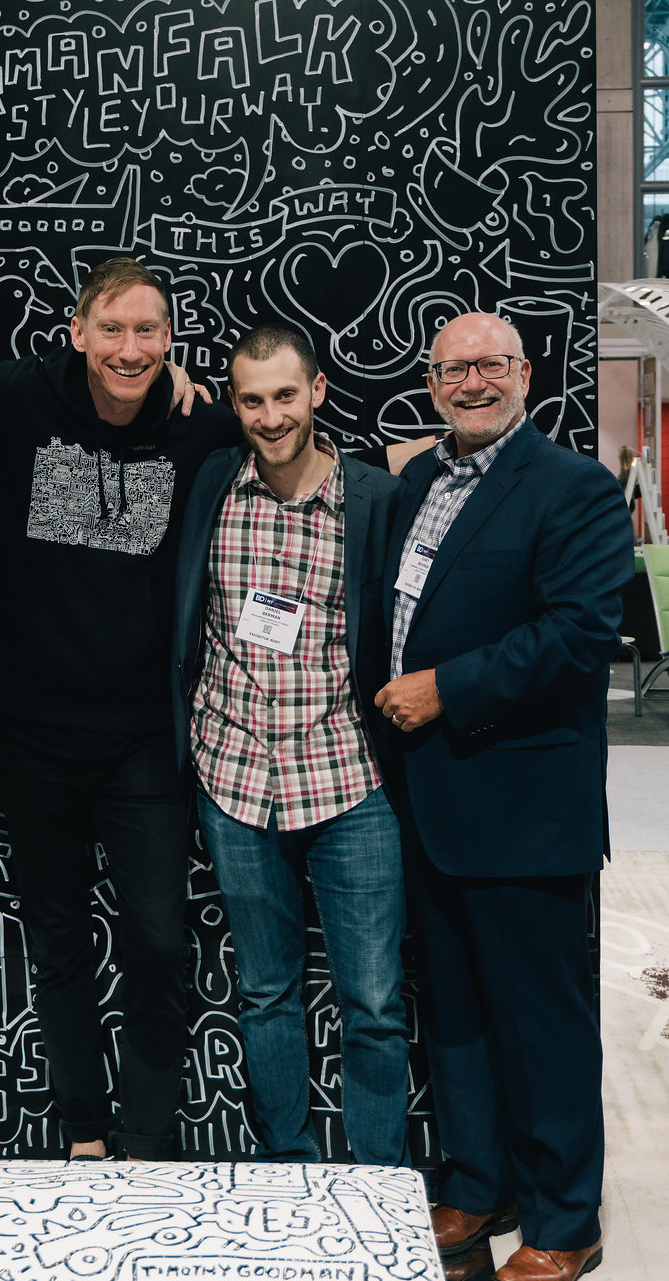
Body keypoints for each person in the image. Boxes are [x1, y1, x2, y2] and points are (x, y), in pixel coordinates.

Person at [0, 256, 240, 1159]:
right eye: (111, 329)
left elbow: (293, 442)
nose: (128, 347)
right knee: (60, 944)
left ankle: (146, 1132)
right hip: (36, 735)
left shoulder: (200, 423)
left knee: (158, 943)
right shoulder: (10, 398)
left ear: (169, 340)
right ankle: (81, 1129)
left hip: (146, 741)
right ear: (77, 333)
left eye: (147, 331)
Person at [374, 312, 635, 1281]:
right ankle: (477, 1186)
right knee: (454, 1016)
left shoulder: (573, 489)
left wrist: (445, 688)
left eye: (490, 364)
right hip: (430, 804)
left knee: (543, 1025)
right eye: (453, 368)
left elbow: (575, 636)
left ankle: (565, 1219)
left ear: (524, 373)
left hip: (525, 807)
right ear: (431, 380)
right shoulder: (419, 484)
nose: (472, 381)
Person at [171, 324, 408, 1164]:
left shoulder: (374, 498)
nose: (270, 416)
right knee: (265, 993)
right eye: (251, 399)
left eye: (284, 395)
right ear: (233, 405)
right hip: (233, 777)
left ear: (316, 393)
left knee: (375, 1001)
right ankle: (290, 1172)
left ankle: (378, 1184)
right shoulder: (209, 485)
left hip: (348, 778)